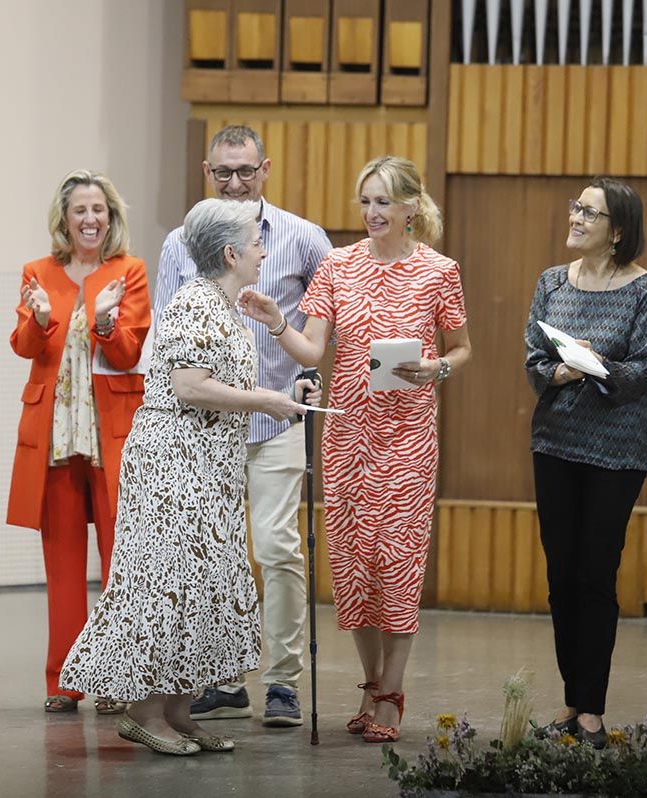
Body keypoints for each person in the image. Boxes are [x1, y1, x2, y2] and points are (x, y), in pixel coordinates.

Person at [59, 198, 307, 755]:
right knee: (164, 586)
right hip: (174, 464)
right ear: (229, 252)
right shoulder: (195, 304)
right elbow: (189, 385)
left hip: (208, 465)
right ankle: (144, 713)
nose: (263, 249)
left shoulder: (225, 304)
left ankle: (178, 711)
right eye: (254, 240)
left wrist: (278, 396)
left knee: (198, 588)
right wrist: (267, 399)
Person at [240, 155, 472, 743]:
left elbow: (463, 347)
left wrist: (437, 366)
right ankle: (372, 683)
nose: (371, 212)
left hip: (409, 437)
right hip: (348, 435)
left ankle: (391, 693)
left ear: (410, 208)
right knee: (353, 569)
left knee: (398, 563)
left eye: (384, 202)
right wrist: (274, 321)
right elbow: (312, 351)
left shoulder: (439, 271)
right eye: (365, 201)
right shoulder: (338, 267)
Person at [155, 124, 332, 727]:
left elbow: (320, 336)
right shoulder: (182, 240)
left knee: (278, 546)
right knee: (216, 552)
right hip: (207, 428)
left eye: (246, 171)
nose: (234, 183)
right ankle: (222, 675)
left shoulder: (305, 239)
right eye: (222, 172)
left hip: (277, 418)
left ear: (266, 170)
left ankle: (281, 680)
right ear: (207, 171)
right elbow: (166, 337)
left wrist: (290, 360)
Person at [523, 178, 647, 748]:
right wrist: (560, 370)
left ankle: (593, 711)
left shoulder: (644, 289)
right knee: (560, 574)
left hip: (615, 452)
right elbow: (534, 359)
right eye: (576, 208)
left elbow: (644, 371)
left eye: (590, 212)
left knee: (594, 574)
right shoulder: (552, 282)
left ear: (618, 231)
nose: (576, 217)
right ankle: (571, 699)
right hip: (554, 443)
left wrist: (594, 365)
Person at [6, 170, 150, 715]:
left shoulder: (128, 272)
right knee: (62, 563)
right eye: (80, 211)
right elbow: (24, 346)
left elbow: (130, 354)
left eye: (99, 210)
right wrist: (40, 318)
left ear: (111, 218)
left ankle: (116, 678)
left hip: (113, 434)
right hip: (56, 435)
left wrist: (109, 321)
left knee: (120, 562)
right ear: (64, 219)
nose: (91, 219)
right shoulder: (37, 272)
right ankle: (63, 679)